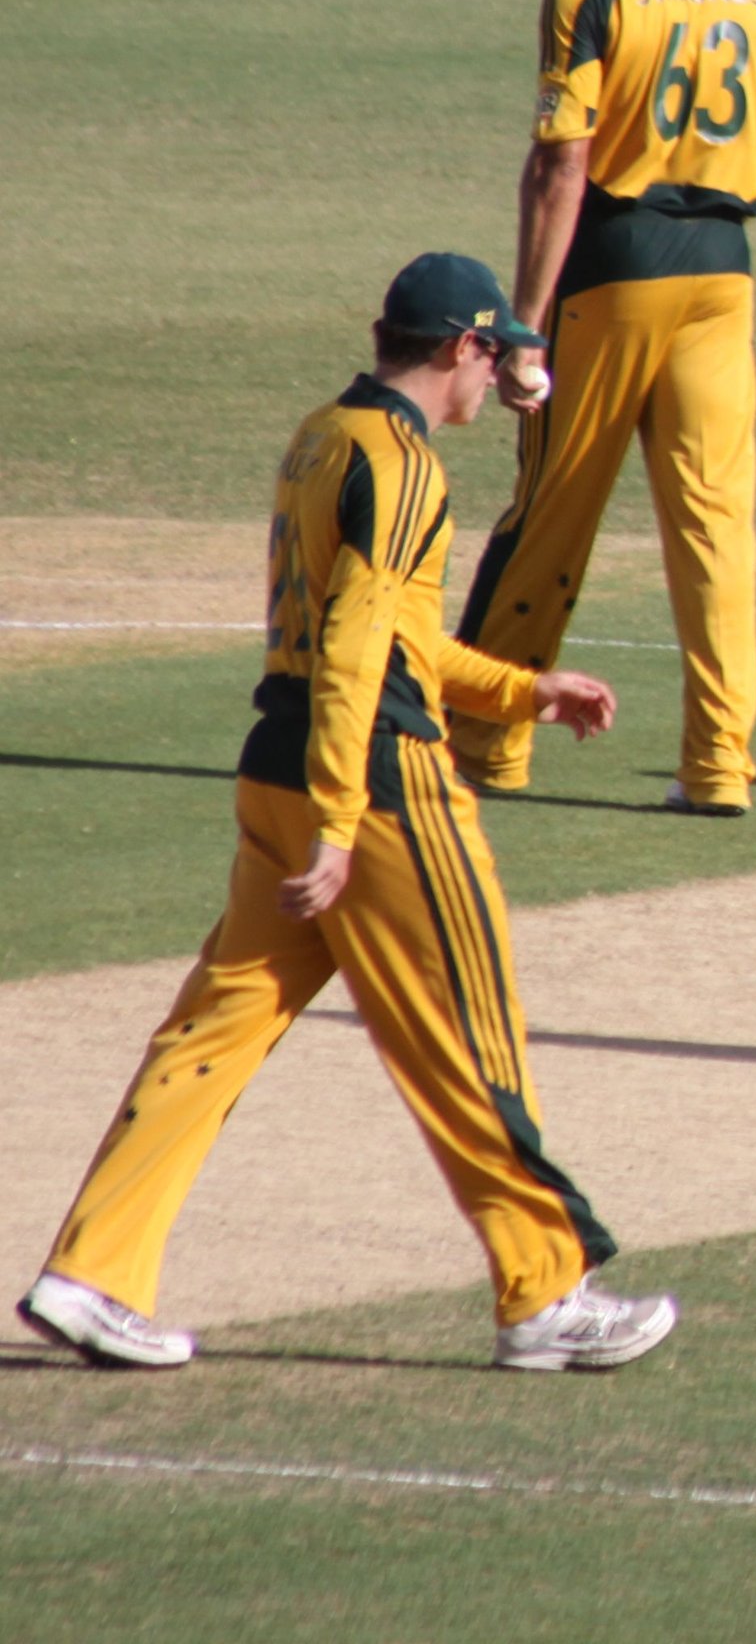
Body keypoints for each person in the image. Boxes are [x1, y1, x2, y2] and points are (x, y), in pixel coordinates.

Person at [20, 256, 674, 1375]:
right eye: (495, 350)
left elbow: (393, 632)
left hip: (273, 766)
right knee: (468, 1035)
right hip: (374, 793)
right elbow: (362, 652)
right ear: (463, 348)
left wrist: (523, 689)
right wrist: (338, 824)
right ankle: (546, 1291)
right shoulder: (408, 467)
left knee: (211, 1037)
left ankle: (92, 1273)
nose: (501, 375)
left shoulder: (324, 436)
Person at [453, 0, 756, 819]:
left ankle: (489, 743)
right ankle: (720, 767)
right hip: (723, 270)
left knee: (554, 508)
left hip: (615, 269)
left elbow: (563, 161)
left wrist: (521, 324)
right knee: (714, 527)